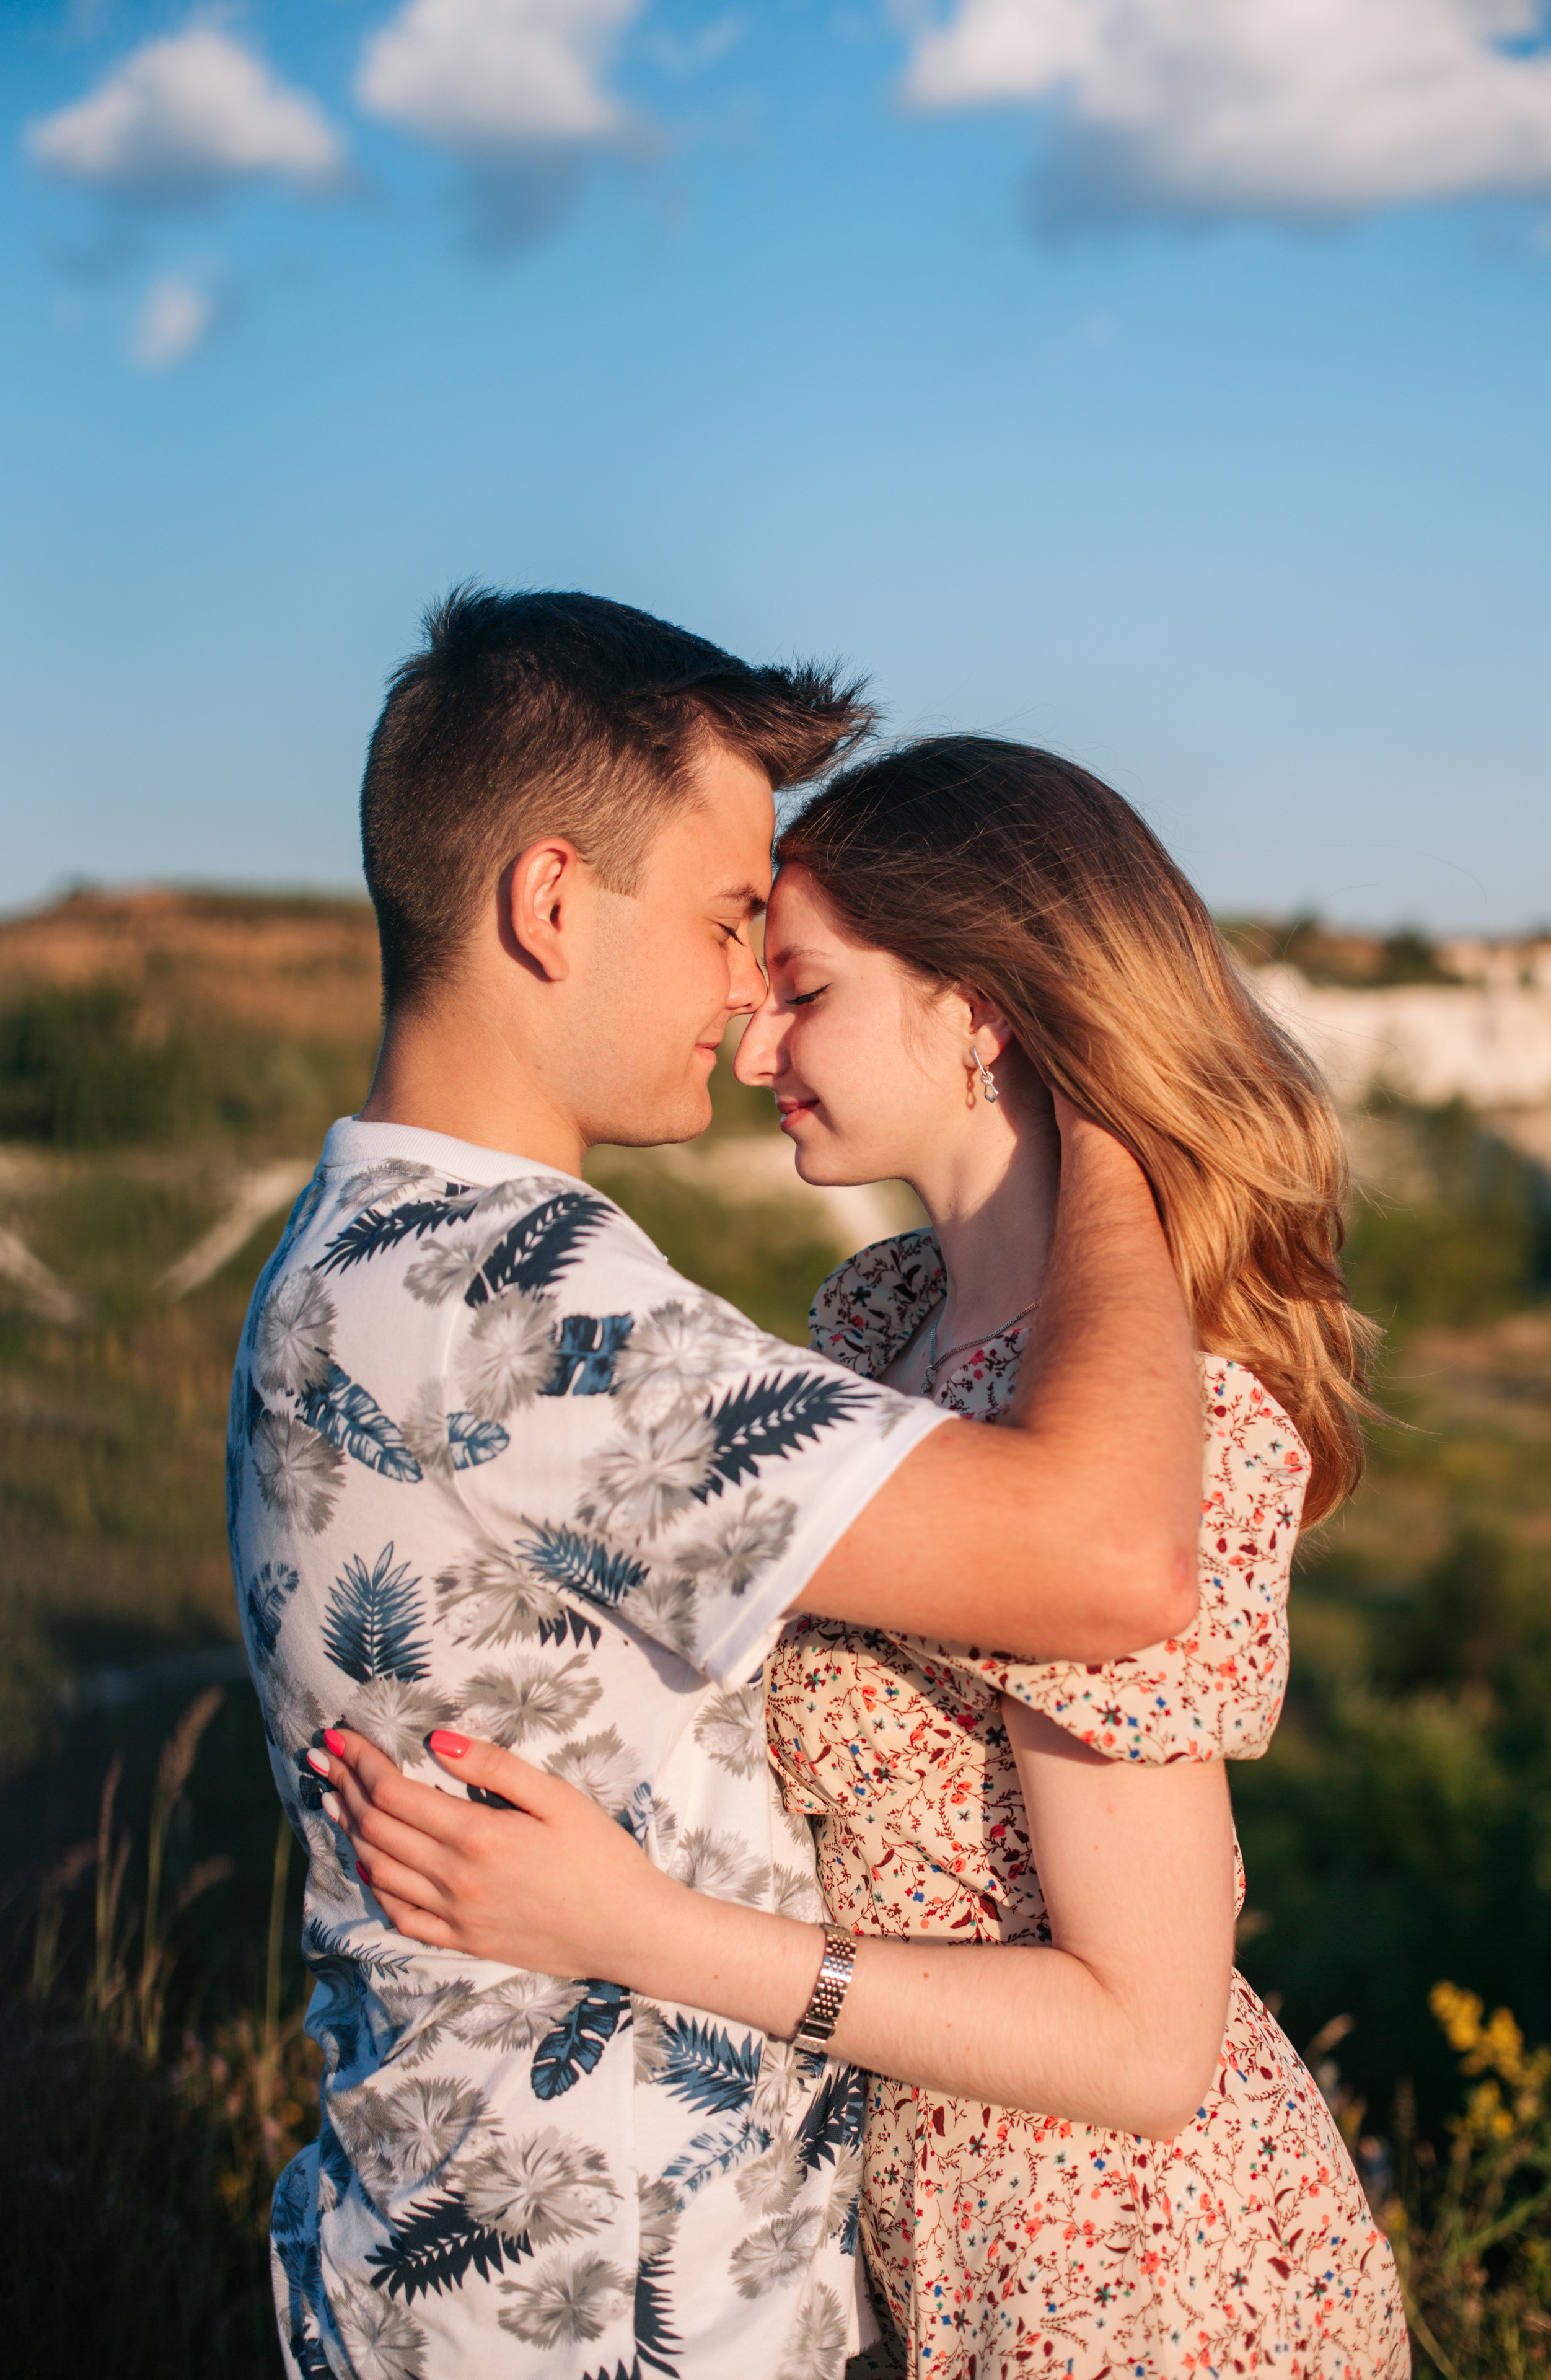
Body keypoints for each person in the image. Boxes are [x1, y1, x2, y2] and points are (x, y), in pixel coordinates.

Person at [318, 735, 1412, 2378]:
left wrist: (637, 1931)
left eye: (807, 991)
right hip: (943, 2244)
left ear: (980, 1014)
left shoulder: (1125, 1425)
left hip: (1138, 2278)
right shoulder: (889, 1334)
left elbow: (1146, 2043)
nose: (756, 1043)